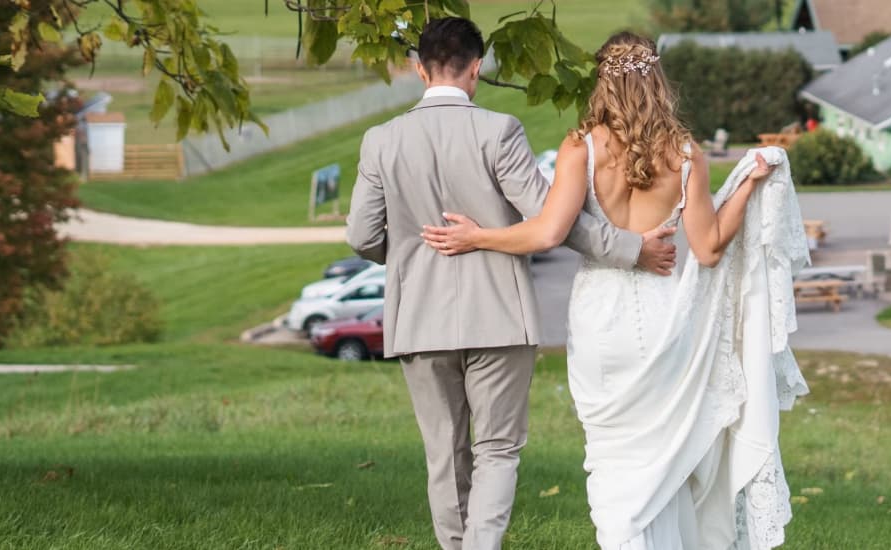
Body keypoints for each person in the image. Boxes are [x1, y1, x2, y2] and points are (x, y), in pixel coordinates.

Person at [419, 32, 809, 550]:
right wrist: (746, 187)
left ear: (603, 81)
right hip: (668, 320)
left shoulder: (580, 147)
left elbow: (547, 233)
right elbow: (711, 246)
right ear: (658, 80)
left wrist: (477, 237)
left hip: (603, 321)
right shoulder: (685, 153)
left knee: (611, 456)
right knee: (666, 458)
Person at [344, 19, 679, 550]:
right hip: (500, 315)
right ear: (477, 68)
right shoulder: (498, 131)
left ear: (418, 68)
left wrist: (411, 255)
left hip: (419, 322)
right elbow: (553, 220)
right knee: (498, 449)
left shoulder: (380, 140)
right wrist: (633, 248)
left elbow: (362, 236)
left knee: (444, 452)